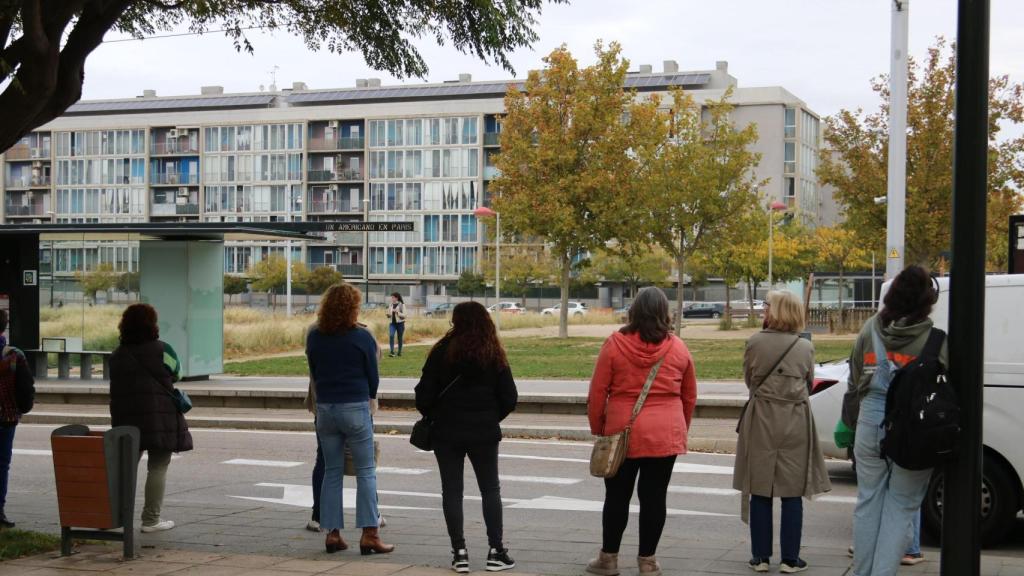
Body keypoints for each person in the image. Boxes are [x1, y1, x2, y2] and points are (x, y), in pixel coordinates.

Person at [585, 287, 698, 576]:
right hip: (664, 433)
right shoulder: (678, 348)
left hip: (622, 430)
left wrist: (599, 428)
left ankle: (608, 559)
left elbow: (598, 391)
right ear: (664, 312)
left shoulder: (614, 344)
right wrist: (679, 428)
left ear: (634, 310)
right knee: (655, 497)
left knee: (616, 497)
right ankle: (647, 562)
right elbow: (689, 396)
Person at [847, 265, 946, 576]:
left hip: (870, 419)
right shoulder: (936, 341)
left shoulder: (870, 330)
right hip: (913, 431)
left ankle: (862, 571)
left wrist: (853, 421)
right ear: (927, 300)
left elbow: (853, 380)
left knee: (869, 501)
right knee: (901, 505)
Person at [415, 301, 518, 573]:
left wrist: (439, 412)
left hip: (446, 431)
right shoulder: (494, 353)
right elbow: (510, 397)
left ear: (455, 321)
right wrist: (489, 416)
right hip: (483, 431)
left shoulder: (440, 351)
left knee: (451, 490)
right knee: (490, 489)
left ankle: (459, 552)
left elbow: (423, 397)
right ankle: (496, 550)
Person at [733, 291, 831, 573]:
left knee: (760, 488)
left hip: (762, 418)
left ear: (774, 311)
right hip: (795, 421)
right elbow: (809, 382)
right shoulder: (805, 348)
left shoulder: (754, 343)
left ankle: (760, 557)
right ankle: (790, 558)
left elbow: (750, 381)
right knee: (792, 491)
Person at [306, 283, 392, 555]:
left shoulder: (315, 336)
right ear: (354, 307)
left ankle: (332, 534)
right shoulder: (362, 336)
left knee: (332, 472)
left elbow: (314, 370)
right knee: (366, 472)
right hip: (354, 406)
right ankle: (369, 533)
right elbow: (373, 376)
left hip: (326, 410)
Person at [109, 303, 193, 533]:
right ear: (152, 324)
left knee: (126, 468)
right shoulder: (164, 350)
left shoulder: (116, 355)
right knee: (157, 467)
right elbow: (178, 374)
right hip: (159, 418)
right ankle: (151, 520)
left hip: (125, 418)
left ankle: (116, 519)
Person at [0, 310, 33, 528]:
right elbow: (26, 388)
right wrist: (20, 409)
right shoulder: (14, 355)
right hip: (6, 417)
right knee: (2, 465)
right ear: (4, 327)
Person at [385, 292, 406, 357]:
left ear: (397, 298)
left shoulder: (402, 305)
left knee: (399, 338)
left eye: (393, 297)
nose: (392, 299)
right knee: (391, 335)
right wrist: (388, 315)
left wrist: (397, 312)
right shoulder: (390, 305)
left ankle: (399, 352)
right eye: (391, 297)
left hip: (400, 324)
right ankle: (392, 352)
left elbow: (405, 315)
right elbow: (389, 313)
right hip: (392, 324)